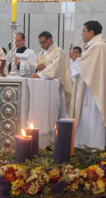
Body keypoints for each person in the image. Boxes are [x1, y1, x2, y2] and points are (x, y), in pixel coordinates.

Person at [70, 21, 106, 149]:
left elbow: (83, 65)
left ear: (91, 32)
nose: (82, 34)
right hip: (91, 87)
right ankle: (85, 146)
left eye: (83, 31)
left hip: (93, 90)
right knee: (87, 117)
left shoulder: (98, 46)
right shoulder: (95, 45)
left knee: (93, 118)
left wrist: (75, 62)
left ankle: (94, 147)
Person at [32, 31, 72, 116]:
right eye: (40, 43)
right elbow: (34, 63)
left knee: (55, 111)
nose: (41, 45)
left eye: (43, 42)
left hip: (56, 87)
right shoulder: (40, 52)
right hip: (42, 86)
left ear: (49, 40)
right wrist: (37, 67)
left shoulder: (58, 51)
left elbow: (56, 68)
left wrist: (39, 75)